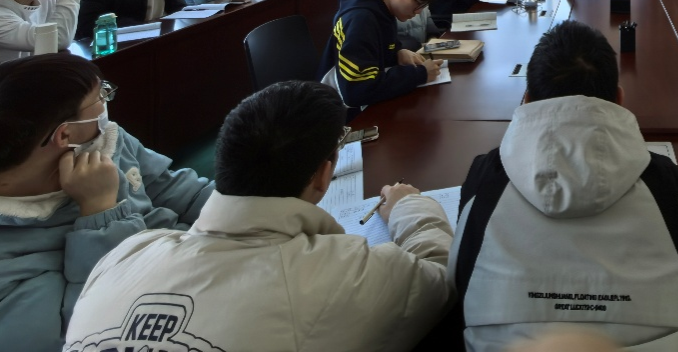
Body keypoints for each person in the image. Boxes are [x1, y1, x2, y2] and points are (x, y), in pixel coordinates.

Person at [63, 81, 454, 352]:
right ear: (323, 175)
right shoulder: (346, 276)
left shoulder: (124, 254)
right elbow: (444, 276)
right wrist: (408, 206)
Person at [450, 21, 678, 350]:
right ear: (619, 99)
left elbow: (455, 279)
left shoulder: (485, 178)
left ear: (526, 99)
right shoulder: (666, 182)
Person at [0, 53, 213, 350]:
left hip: (200, 269)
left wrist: (243, 211)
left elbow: (179, 190)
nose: (106, 103)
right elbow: (94, 333)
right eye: (101, 96)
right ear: (64, 133)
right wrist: (101, 212)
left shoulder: (98, 142)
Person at [319, 0, 444, 117]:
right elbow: (357, 90)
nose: (419, 12)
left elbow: (376, 50)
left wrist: (398, 52)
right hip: (338, 113)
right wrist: (420, 74)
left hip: (364, 105)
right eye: (418, 3)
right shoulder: (361, 19)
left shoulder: (382, 9)